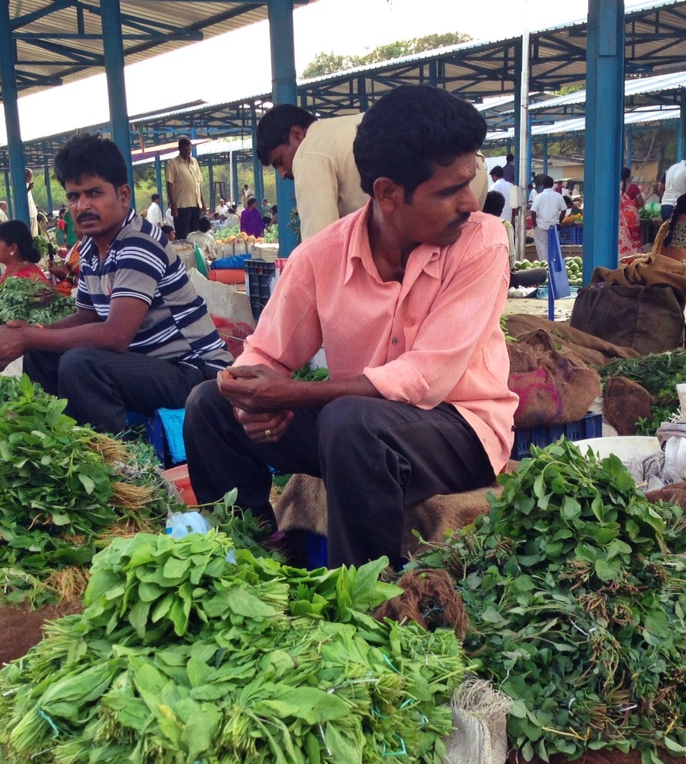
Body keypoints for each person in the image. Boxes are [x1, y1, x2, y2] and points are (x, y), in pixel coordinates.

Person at [184, 85, 516, 568]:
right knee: (208, 405)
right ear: (387, 193)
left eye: (470, 182)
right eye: (450, 190)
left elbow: (426, 379)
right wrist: (249, 400)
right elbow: (266, 355)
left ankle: (362, 603)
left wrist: (290, 396)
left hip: (460, 432)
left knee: (351, 420)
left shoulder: (482, 242)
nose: (470, 202)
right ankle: (251, 565)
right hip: (358, 435)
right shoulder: (321, 256)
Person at [0, 134, 228, 432]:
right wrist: (33, 333)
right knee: (40, 355)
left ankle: (112, 462)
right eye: (73, 196)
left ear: (123, 196)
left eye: (94, 193)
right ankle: (60, 440)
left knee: (80, 365)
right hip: (144, 365)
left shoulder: (138, 242)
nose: (82, 205)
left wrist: (30, 336)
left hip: (194, 373)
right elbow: (89, 315)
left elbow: (115, 336)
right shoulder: (90, 246)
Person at [255, 102, 487, 242]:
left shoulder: (309, 151)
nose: (284, 173)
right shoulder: (339, 130)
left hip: (437, 191)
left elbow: (319, 242)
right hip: (473, 172)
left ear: (297, 135)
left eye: (280, 162)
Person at [166, 138, 205, 240]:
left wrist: (203, 203)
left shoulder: (194, 162)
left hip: (196, 205)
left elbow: (198, 184)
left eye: (189, 149)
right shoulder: (173, 164)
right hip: (182, 207)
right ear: (179, 149)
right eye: (185, 150)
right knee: (183, 236)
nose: (187, 152)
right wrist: (173, 207)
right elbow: (169, 186)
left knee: (196, 235)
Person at [530, 174, 566, 262]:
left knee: (542, 248)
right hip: (554, 226)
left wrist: (534, 224)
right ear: (552, 184)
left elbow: (533, 211)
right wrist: (559, 222)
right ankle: (552, 265)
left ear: (543, 185)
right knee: (553, 247)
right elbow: (564, 210)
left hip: (541, 226)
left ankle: (544, 264)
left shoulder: (539, 196)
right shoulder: (558, 196)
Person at [619, 167, 643, 257]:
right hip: (633, 218)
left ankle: (623, 257)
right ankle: (635, 258)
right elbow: (641, 203)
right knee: (635, 240)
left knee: (623, 237)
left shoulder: (615, 188)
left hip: (621, 218)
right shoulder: (633, 187)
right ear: (629, 177)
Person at [25, 169, 40, 237]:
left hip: (33, 213)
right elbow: (21, 196)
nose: (30, 178)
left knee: (34, 234)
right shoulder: (22, 185)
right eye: (29, 176)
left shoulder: (28, 184)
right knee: (29, 234)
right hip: (28, 215)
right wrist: (28, 189)